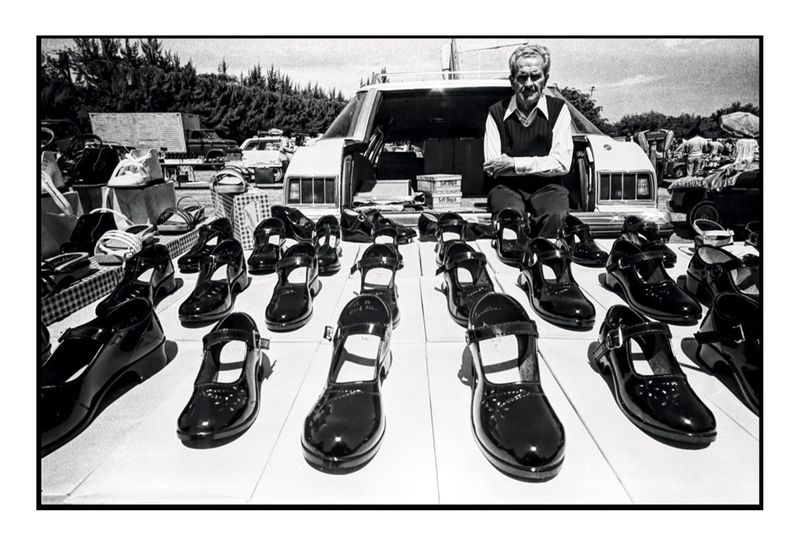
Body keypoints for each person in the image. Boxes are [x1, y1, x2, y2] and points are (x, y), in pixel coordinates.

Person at [483, 44, 573, 238]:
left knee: (556, 215)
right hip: (506, 189)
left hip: (549, 188)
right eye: (522, 77)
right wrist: (542, 164)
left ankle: (544, 260)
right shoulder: (496, 113)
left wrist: (514, 163)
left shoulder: (559, 110)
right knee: (510, 217)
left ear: (545, 79)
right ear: (512, 81)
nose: (529, 83)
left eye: (536, 76)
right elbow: (493, 166)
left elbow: (561, 163)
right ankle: (513, 260)